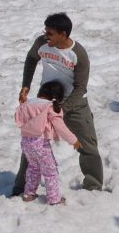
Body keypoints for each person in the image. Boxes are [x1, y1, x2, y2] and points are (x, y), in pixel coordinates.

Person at [13, 12, 104, 195]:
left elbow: (80, 88)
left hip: (74, 105)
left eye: (50, 33)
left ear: (63, 34)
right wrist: (26, 85)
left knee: (87, 146)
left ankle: (93, 188)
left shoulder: (78, 54)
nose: (46, 36)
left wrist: (61, 109)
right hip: (44, 104)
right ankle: (21, 188)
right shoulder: (41, 43)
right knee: (32, 145)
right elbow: (31, 59)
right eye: (45, 31)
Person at [14, 81, 82, 205]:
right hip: (41, 144)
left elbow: (19, 116)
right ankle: (54, 199)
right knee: (50, 171)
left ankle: (28, 193)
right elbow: (60, 127)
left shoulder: (28, 103)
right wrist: (74, 140)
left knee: (33, 168)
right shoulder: (49, 106)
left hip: (26, 143)